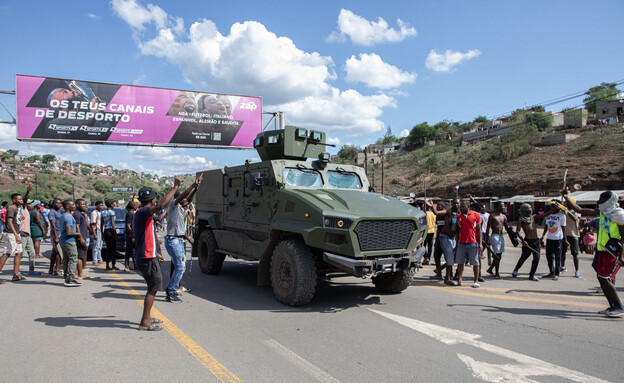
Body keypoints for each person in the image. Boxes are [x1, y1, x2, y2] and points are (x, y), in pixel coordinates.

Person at [563, 190, 624, 317]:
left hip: (614, 252)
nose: (599, 202)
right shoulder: (603, 212)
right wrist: (566, 198)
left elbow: (623, 237)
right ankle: (612, 306)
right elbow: (580, 210)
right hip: (603, 250)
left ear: (609, 201)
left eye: (601, 200)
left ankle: (618, 306)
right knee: (601, 278)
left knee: (604, 278)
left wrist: (622, 255)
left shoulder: (619, 215)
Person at [133, 177, 183, 331]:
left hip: (149, 254)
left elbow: (147, 237)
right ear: (152, 199)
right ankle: (144, 322)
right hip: (146, 257)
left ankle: (147, 317)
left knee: (153, 287)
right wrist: (175, 187)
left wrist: (155, 253)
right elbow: (162, 204)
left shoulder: (142, 213)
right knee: (153, 288)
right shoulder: (142, 212)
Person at [164, 175, 202, 303]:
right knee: (180, 267)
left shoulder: (180, 207)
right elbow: (184, 195)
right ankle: (171, 291)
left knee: (180, 266)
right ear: (178, 198)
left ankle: (172, 289)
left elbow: (189, 199)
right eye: (183, 198)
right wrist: (192, 185)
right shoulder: (173, 205)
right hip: (173, 240)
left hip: (178, 240)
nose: (186, 200)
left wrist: (196, 189)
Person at [0, 184, 32, 282]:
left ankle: (15, 274)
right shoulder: (11, 208)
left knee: (19, 252)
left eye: (22, 199)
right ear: (14, 200)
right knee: (7, 253)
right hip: (10, 234)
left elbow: (25, 201)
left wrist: (27, 192)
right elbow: (9, 222)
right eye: (19, 199)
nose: (21, 201)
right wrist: (16, 235)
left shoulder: (17, 209)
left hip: (16, 233)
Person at [428, 198, 460, 286]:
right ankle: (446, 278)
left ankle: (444, 272)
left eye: (457, 203)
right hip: (445, 237)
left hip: (453, 238)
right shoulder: (448, 212)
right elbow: (437, 213)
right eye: (454, 203)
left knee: (453, 258)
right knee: (448, 257)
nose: (456, 205)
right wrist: (431, 207)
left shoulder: (459, 215)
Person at [454, 200, 483, 288]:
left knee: (475, 262)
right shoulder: (459, 216)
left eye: (462, 206)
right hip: (461, 243)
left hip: (472, 242)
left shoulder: (476, 215)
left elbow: (479, 230)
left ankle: (476, 281)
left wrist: (480, 243)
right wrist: (456, 244)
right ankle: (460, 279)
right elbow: (457, 232)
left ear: (468, 206)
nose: (461, 208)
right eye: (460, 206)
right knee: (460, 262)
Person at [512, 204, 542, 281]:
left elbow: (544, 215)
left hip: (536, 241)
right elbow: (517, 231)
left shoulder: (533, 217)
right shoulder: (521, 219)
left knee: (537, 258)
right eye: (529, 208)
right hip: (527, 241)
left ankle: (532, 275)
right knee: (524, 257)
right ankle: (516, 270)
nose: (531, 210)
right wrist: (523, 241)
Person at [59, 200, 83, 287]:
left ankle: (67, 278)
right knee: (73, 259)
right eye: (72, 205)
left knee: (66, 260)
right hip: (69, 241)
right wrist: (78, 234)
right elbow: (69, 232)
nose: (74, 206)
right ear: (67, 207)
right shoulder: (68, 217)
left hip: (63, 240)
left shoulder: (63, 216)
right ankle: (70, 279)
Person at [486, 201, 507, 279]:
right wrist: (487, 238)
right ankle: (497, 273)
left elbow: (506, 227)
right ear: (497, 206)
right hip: (494, 236)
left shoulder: (503, 216)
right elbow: (487, 227)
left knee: (499, 255)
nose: (503, 208)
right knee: (497, 255)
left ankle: (490, 269)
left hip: (501, 236)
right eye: (502, 206)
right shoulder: (492, 216)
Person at [561, 197, 581, 277]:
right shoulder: (563, 211)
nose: (566, 204)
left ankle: (577, 270)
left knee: (575, 253)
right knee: (563, 252)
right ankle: (562, 266)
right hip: (564, 234)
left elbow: (575, 218)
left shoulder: (576, 212)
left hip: (573, 234)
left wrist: (567, 211)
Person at [21, 197, 41, 276]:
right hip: (22, 233)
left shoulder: (28, 212)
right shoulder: (23, 210)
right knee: (20, 253)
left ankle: (31, 270)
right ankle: (16, 271)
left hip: (28, 234)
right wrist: (28, 192)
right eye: (29, 204)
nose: (31, 205)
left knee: (32, 253)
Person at [73, 199, 91, 280]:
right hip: (80, 238)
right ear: (77, 205)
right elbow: (77, 226)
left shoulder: (81, 214)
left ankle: (77, 273)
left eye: (85, 204)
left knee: (80, 256)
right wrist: (81, 238)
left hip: (83, 237)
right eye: (82, 204)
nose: (84, 206)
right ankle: (79, 274)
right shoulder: (77, 214)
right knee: (80, 257)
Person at [48, 198, 63, 275]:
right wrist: (56, 236)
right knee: (58, 253)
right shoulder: (52, 212)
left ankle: (51, 269)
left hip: (60, 233)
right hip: (56, 234)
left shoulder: (59, 212)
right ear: (53, 204)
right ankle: (56, 269)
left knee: (54, 252)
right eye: (56, 203)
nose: (58, 204)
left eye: (59, 203)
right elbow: (53, 224)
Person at [101, 200, 118, 270]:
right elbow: (112, 223)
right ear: (110, 204)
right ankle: (113, 264)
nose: (114, 205)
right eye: (113, 204)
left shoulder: (102, 212)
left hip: (105, 231)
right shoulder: (112, 212)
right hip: (111, 231)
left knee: (108, 248)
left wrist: (102, 234)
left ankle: (107, 264)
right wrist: (115, 233)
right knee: (113, 249)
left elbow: (101, 224)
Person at [124, 201, 138, 272]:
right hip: (130, 235)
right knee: (132, 251)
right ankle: (134, 265)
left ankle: (127, 265)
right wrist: (132, 235)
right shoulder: (130, 214)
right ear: (133, 206)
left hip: (130, 234)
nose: (137, 206)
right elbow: (128, 226)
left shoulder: (132, 214)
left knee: (129, 251)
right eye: (136, 205)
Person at [90, 201, 104, 266]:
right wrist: (94, 234)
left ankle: (99, 259)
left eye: (102, 205)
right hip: (96, 230)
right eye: (100, 205)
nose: (101, 207)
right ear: (96, 206)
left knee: (99, 246)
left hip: (100, 231)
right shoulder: (94, 213)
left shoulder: (100, 213)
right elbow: (93, 224)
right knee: (96, 246)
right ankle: (94, 260)